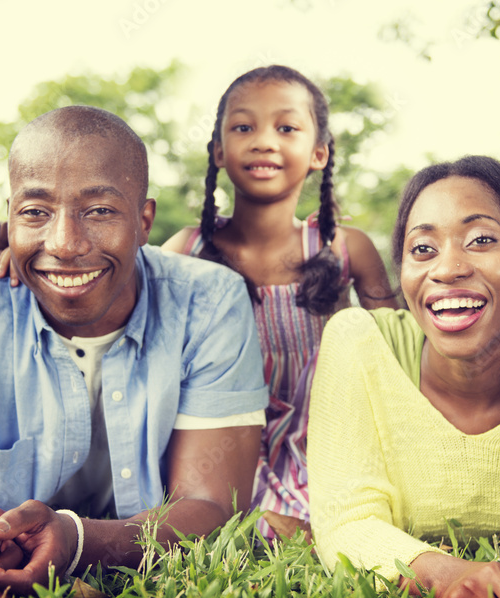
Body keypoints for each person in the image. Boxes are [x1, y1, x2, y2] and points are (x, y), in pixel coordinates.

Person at [0, 105, 268, 598]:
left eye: (98, 211)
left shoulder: (211, 301)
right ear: (9, 218)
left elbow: (210, 505)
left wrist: (75, 543)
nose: (65, 243)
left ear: (143, 221)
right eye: (35, 212)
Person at [308, 156, 500, 598]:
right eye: (422, 249)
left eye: (481, 240)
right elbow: (347, 524)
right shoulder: (358, 341)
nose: (448, 268)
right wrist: (451, 576)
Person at [162, 66, 397, 539]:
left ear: (318, 153)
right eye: (243, 127)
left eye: (286, 128)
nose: (264, 141)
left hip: (325, 449)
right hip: (216, 447)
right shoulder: (186, 250)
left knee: (343, 530)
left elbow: (401, 357)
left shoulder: (344, 249)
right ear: (218, 151)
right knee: (210, 523)